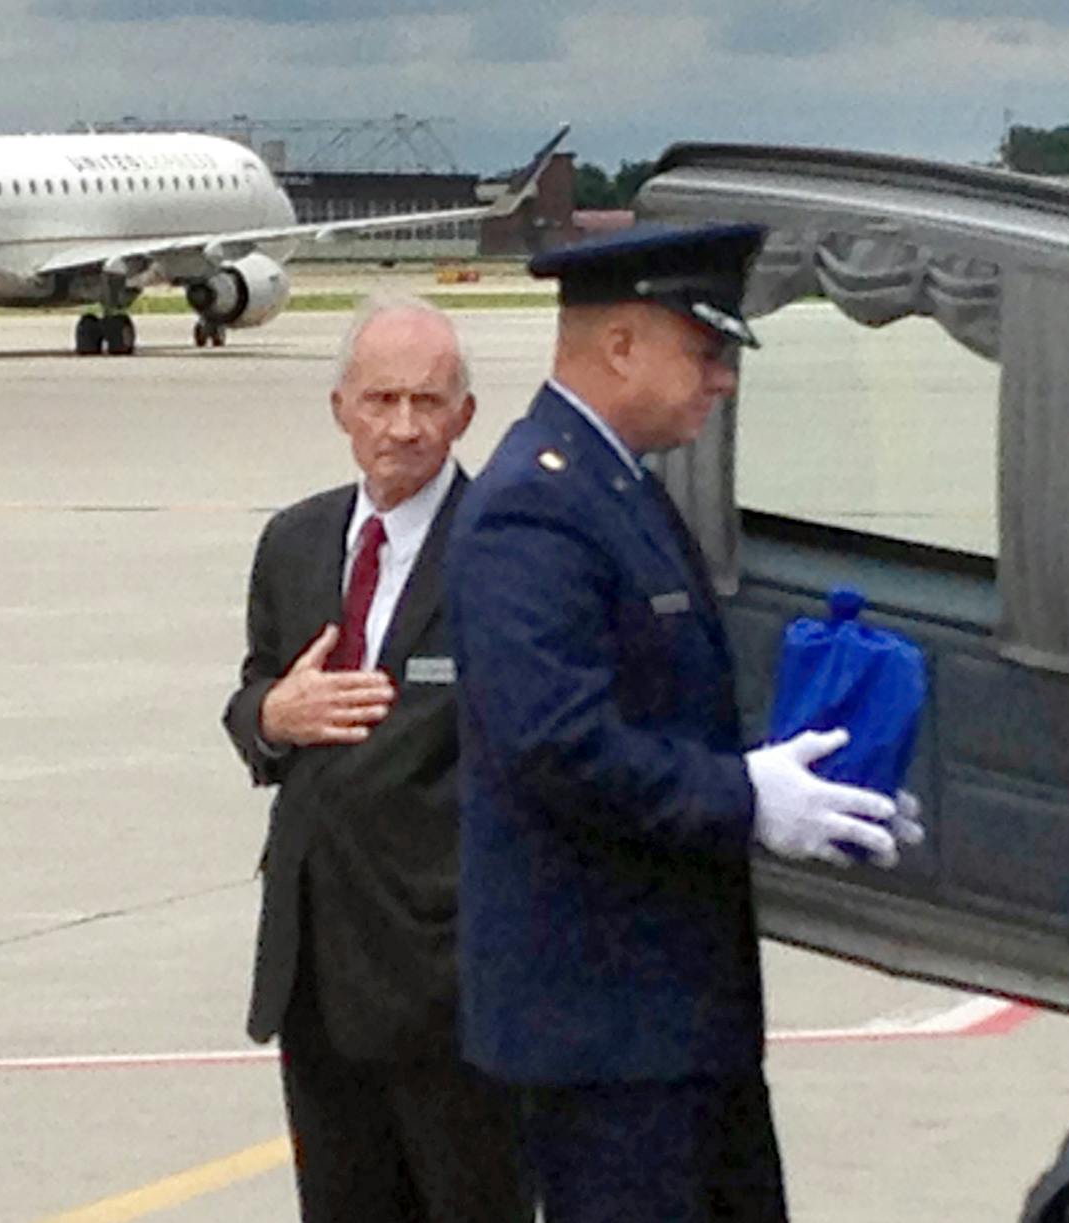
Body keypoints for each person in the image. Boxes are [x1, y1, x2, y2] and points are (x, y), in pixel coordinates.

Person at [447, 223, 925, 1223]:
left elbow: (662, 708)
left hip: (673, 1019)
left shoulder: (616, 483)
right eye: (705, 352)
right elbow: (557, 744)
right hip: (605, 1030)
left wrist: (810, 788)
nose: (723, 382)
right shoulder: (534, 509)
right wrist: (747, 796)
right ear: (621, 345)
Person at [220, 296, 527, 1223]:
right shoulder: (294, 542)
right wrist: (273, 713)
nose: (403, 427)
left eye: (428, 403)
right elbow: (253, 701)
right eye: (381, 400)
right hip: (317, 966)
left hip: (447, 979)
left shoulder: (502, 553)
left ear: (464, 416)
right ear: (341, 408)